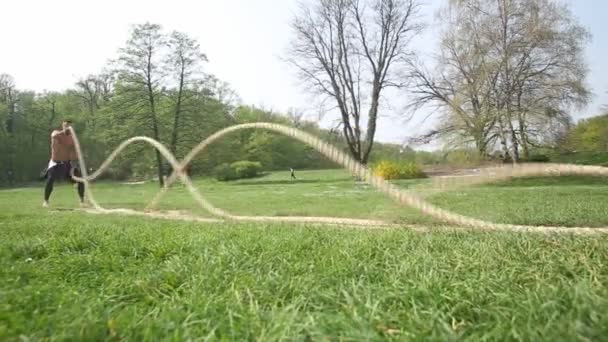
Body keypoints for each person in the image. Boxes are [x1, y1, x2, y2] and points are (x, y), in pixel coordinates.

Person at [42, 119, 86, 207]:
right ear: (63, 126)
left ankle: (82, 201)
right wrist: (64, 131)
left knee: (80, 180)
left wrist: (74, 163)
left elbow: (74, 152)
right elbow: (54, 135)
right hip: (55, 163)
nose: (68, 128)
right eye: (66, 126)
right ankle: (46, 201)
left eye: (70, 126)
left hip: (67, 163)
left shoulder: (72, 138)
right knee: (50, 179)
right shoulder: (56, 133)